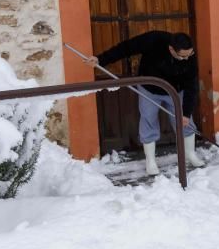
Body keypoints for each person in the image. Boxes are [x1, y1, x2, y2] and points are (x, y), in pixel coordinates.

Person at [87, 31, 205, 175]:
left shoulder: (189, 57)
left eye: (189, 55)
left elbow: (191, 87)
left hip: (175, 90)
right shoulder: (153, 40)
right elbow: (126, 48)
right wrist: (100, 59)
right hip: (149, 89)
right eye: (182, 56)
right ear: (171, 49)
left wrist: (186, 113)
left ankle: (190, 154)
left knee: (185, 121)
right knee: (148, 119)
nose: (187, 59)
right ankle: (150, 161)